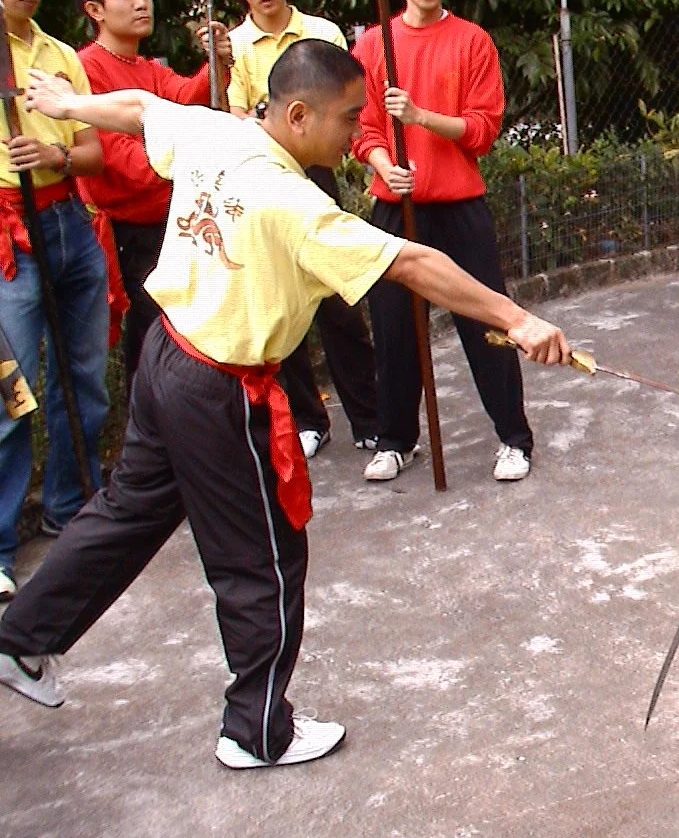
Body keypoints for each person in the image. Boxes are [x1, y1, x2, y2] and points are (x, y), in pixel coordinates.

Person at [0, 40, 570, 769]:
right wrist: (516, 320)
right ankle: (256, 729)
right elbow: (413, 263)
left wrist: (68, 105)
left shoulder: (217, 129)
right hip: (218, 391)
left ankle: (22, 639)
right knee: (262, 561)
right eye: (348, 119)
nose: (355, 131)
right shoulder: (294, 202)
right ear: (298, 115)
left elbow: (141, 111)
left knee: (128, 512)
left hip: (166, 358)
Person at [353, 0, 533, 483]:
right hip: (396, 206)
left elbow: (482, 128)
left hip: (459, 207)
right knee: (394, 327)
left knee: (486, 319)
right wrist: (385, 165)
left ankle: (514, 437)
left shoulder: (472, 41)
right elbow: (364, 128)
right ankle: (395, 439)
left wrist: (422, 117)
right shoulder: (372, 44)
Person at [221, 0, 378, 459]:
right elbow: (235, 115)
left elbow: (344, 106)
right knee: (278, 301)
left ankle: (369, 416)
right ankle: (309, 419)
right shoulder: (233, 47)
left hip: (316, 175)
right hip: (264, 180)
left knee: (338, 299)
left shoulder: (323, 33)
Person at [0, 0, 106, 600]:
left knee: (85, 379)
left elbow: (96, 150)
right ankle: (3, 545)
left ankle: (73, 510)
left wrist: (58, 153)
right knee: (11, 397)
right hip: (9, 234)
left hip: (67, 220)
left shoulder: (58, 56)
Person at [72, 0, 232, 394]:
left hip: (170, 223)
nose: (142, 2)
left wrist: (217, 63)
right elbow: (123, 160)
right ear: (95, 10)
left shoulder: (146, 68)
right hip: (130, 232)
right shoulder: (87, 68)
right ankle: (153, 449)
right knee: (151, 344)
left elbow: (186, 98)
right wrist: (199, 153)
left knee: (185, 336)